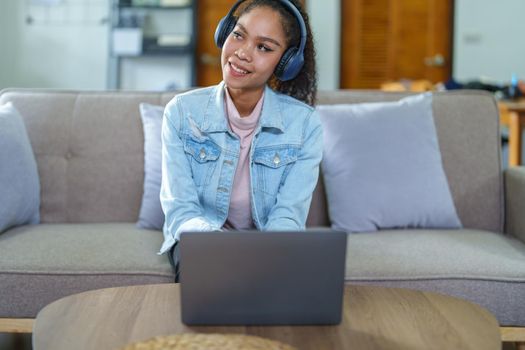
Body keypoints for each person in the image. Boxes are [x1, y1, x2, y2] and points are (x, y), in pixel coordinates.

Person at [159, 0, 322, 280]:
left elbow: (288, 216)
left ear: (286, 64)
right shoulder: (182, 112)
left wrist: (259, 255)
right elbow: (182, 210)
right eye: (238, 35)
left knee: (287, 292)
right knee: (208, 278)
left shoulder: (305, 125)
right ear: (224, 33)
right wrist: (225, 248)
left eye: (264, 47)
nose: (242, 53)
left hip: (268, 246)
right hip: (201, 242)